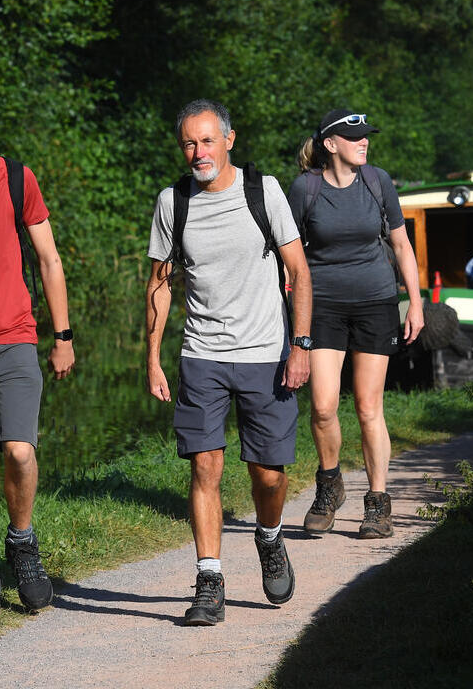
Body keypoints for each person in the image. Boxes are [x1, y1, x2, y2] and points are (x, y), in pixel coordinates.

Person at [146, 99, 312, 626]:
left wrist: (301, 345)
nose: (199, 152)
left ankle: (268, 536)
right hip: (202, 355)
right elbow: (158, 284)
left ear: (229, 140)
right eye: (190, 144)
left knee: (268, 477)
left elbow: (299, 272)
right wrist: (152, 358)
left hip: (265, 354)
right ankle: (210, 579)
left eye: (208, 140)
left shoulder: (264, 192)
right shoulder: (173, 202)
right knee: (205, 466)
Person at [0, 82, 75, 622]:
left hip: (15, 337)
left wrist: (62, 335)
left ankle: (21, 541)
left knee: (20, 451)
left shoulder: (15, 177)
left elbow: (48, 260)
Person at [287, 109, 424, 540]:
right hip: (322, 306)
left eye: (366, 136)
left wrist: (415, 304)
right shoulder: (305, 189)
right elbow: (289, 255)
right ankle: (330, 486)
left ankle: (378, 503)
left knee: (369, 408)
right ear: (331, 145)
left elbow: (401, 245)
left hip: (376, 303)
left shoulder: (378, 181)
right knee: (324, 406)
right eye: (355, 137)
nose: (364, 142)